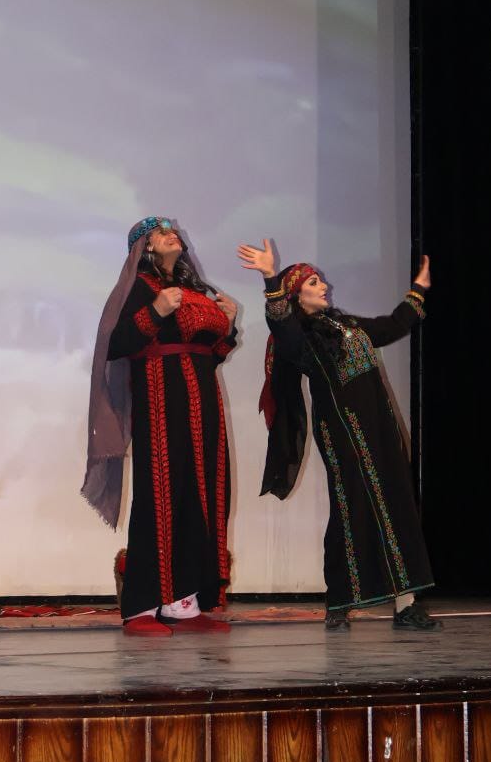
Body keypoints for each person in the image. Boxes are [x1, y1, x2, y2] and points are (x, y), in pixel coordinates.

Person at [237, 239, 439, 630]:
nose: (324, 286)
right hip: (345, 433)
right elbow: (281, 323)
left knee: (396, 504)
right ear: (297, 295)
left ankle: (406, 604)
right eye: (314, 282)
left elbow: (391, 326)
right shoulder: (300, 339)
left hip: (379, 430)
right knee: (352, 510)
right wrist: (270, 278)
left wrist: (418, 290)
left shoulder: (345, 325)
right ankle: (339, 601)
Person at [85, 217, 236, 637]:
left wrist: (229, 324)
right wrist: (155, 312)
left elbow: (212, 352)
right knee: (162, 494)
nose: (172, 234)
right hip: (160, 398)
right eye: (160, 231)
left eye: (173, 230)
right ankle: (141, 607)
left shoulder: (194, 290)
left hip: (202, 401)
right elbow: (116, 344)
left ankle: (183, 603)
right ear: (144, 247)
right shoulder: (139, 287)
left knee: (202, 491)